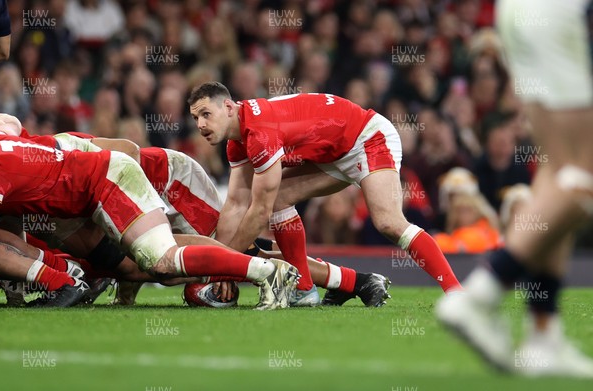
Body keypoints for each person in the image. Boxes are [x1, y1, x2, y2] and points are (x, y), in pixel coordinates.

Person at [188, 82, 462, 307]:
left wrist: (224, 269)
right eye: (195, 118)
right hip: (333, 152)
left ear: (228, 107)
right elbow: (235, 204)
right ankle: (304, 289)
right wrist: (220, 262)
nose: (200, 124)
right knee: (280, 198)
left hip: (367, 138)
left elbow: (259, 211)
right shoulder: (238, 141)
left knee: (388, 223)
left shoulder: (260, 134)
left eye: (205, 114)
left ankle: (457, 294)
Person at [0, 117, 299, 311]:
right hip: (106, 185)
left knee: (163, 262)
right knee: (162, 265)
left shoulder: (8, 158)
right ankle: (272, 270)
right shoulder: (11, 143)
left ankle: (274, 273)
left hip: (144, 181)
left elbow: (125, 153)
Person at [436, 0, 593, 377]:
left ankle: (545, 335)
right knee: (582, 176)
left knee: (559, 173)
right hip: (561, 18)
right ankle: (482, 293)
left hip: (524, 14)